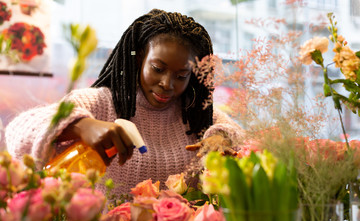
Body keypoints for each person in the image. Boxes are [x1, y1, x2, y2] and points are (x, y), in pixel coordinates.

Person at [5, 9, 244, 195]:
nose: (167, 84)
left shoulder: (195, 114)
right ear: (140, 57)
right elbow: (18, 131)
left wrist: (223, 138)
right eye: (158, 69)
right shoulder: (100, 103)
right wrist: (82, 125)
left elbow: (239, 135)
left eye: (181, 75)